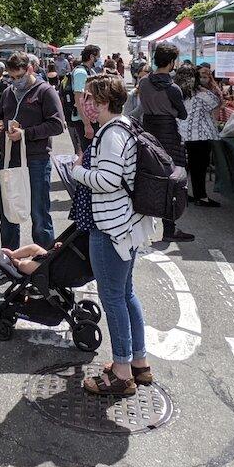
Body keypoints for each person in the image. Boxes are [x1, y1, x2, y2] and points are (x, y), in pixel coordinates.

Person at [69, 75, 157, 397]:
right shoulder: (123, 126)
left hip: (111, 228)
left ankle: (122, 372)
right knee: (126, 294)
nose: (86, 103)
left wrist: (76, 170)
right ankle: (139, 363)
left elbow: (107, 179)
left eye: (91, 98)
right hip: (126, 226)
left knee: (113, 298)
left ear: (105, 102)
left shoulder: (112, 134)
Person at [0, 51, 66, 279]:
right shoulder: (9, 92)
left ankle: (46, 265)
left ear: (30, 69)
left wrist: (26, 134)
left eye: (19, 76)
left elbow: (57, 125)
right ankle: (9, 262)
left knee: (39, 213)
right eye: (11, 77)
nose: (15, 81)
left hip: (36, 160)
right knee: (8, 212)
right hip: (8, 159)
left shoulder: (45, 91)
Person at [137, 45, 194, 242]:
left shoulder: (144, 83)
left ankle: (142, 225)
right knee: (173, 181)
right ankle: (169, 230)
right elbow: (183, 114)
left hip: (148, 131)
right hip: (169, 134)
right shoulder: (173, 88)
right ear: (171, 63)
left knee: (147, 177)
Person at [178, 63, 222, 208]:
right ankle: (201, 196)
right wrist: (203, 88)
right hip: (200, 135)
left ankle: (189, 194)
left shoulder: (179, 92)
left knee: (191, 166)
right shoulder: (201, 94)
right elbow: (217, 102)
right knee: (200, 168)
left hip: (185, 133)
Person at [69, 46, 99, 153]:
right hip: (84, 120)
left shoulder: (87, 71)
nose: (98, 59)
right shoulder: (81, 73)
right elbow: (79, 98)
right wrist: (87, 124)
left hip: (88, 119)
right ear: (91, 57)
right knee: (88, 153)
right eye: (97, 56)